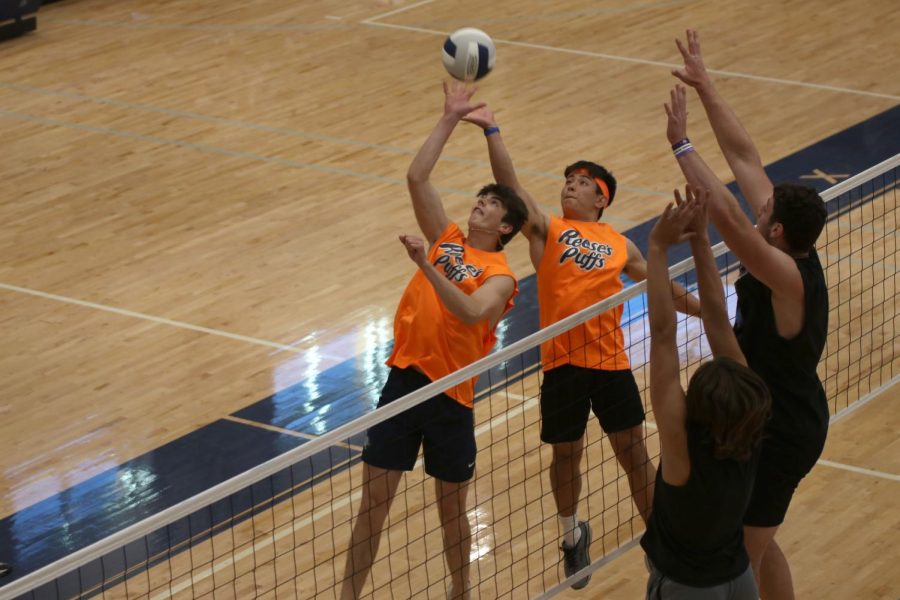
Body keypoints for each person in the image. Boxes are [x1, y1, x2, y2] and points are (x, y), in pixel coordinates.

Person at [463, 107, 701, 589]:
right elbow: (508, 183)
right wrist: (492, 129)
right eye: (568, 179)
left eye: (581, 181)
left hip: (611, 361)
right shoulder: (548, 230)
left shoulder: (620, 244)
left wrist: (707, 311)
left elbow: (663, 284)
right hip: (563, 363)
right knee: (566, 454)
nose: (570, 185)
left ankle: (661, 544)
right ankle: (571, 535)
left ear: (601, 197)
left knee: (633, 453)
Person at [339, 81, 527, 600]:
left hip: (450, 398)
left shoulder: (502, 275)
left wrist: (425, 264)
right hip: (403, 384)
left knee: (451, 510)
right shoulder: (446, 236)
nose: (480, 204)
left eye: (491, 204)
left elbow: (470, 313)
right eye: (480, 198)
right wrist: (449, 117)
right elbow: (416, 176)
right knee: (372, 506)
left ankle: (460, 592)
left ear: (506, 226)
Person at [667, 29, 829, 600]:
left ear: (777, 228)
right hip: (769, 412)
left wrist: (682, 146)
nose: (762, 201)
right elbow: (744, 156)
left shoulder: (786, 275)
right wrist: (706, 84)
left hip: (784, 428)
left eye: (769, 208)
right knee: (761, 543)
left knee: (740, 554)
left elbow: (732, 221)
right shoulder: (789, 244)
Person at [641, 185, 770, 600]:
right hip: (739, 578)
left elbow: (663, 334)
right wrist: (699, 239)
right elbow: (716, 317)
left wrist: (658, 250)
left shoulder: (683, 447)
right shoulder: (751, 421)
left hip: (689, 588)